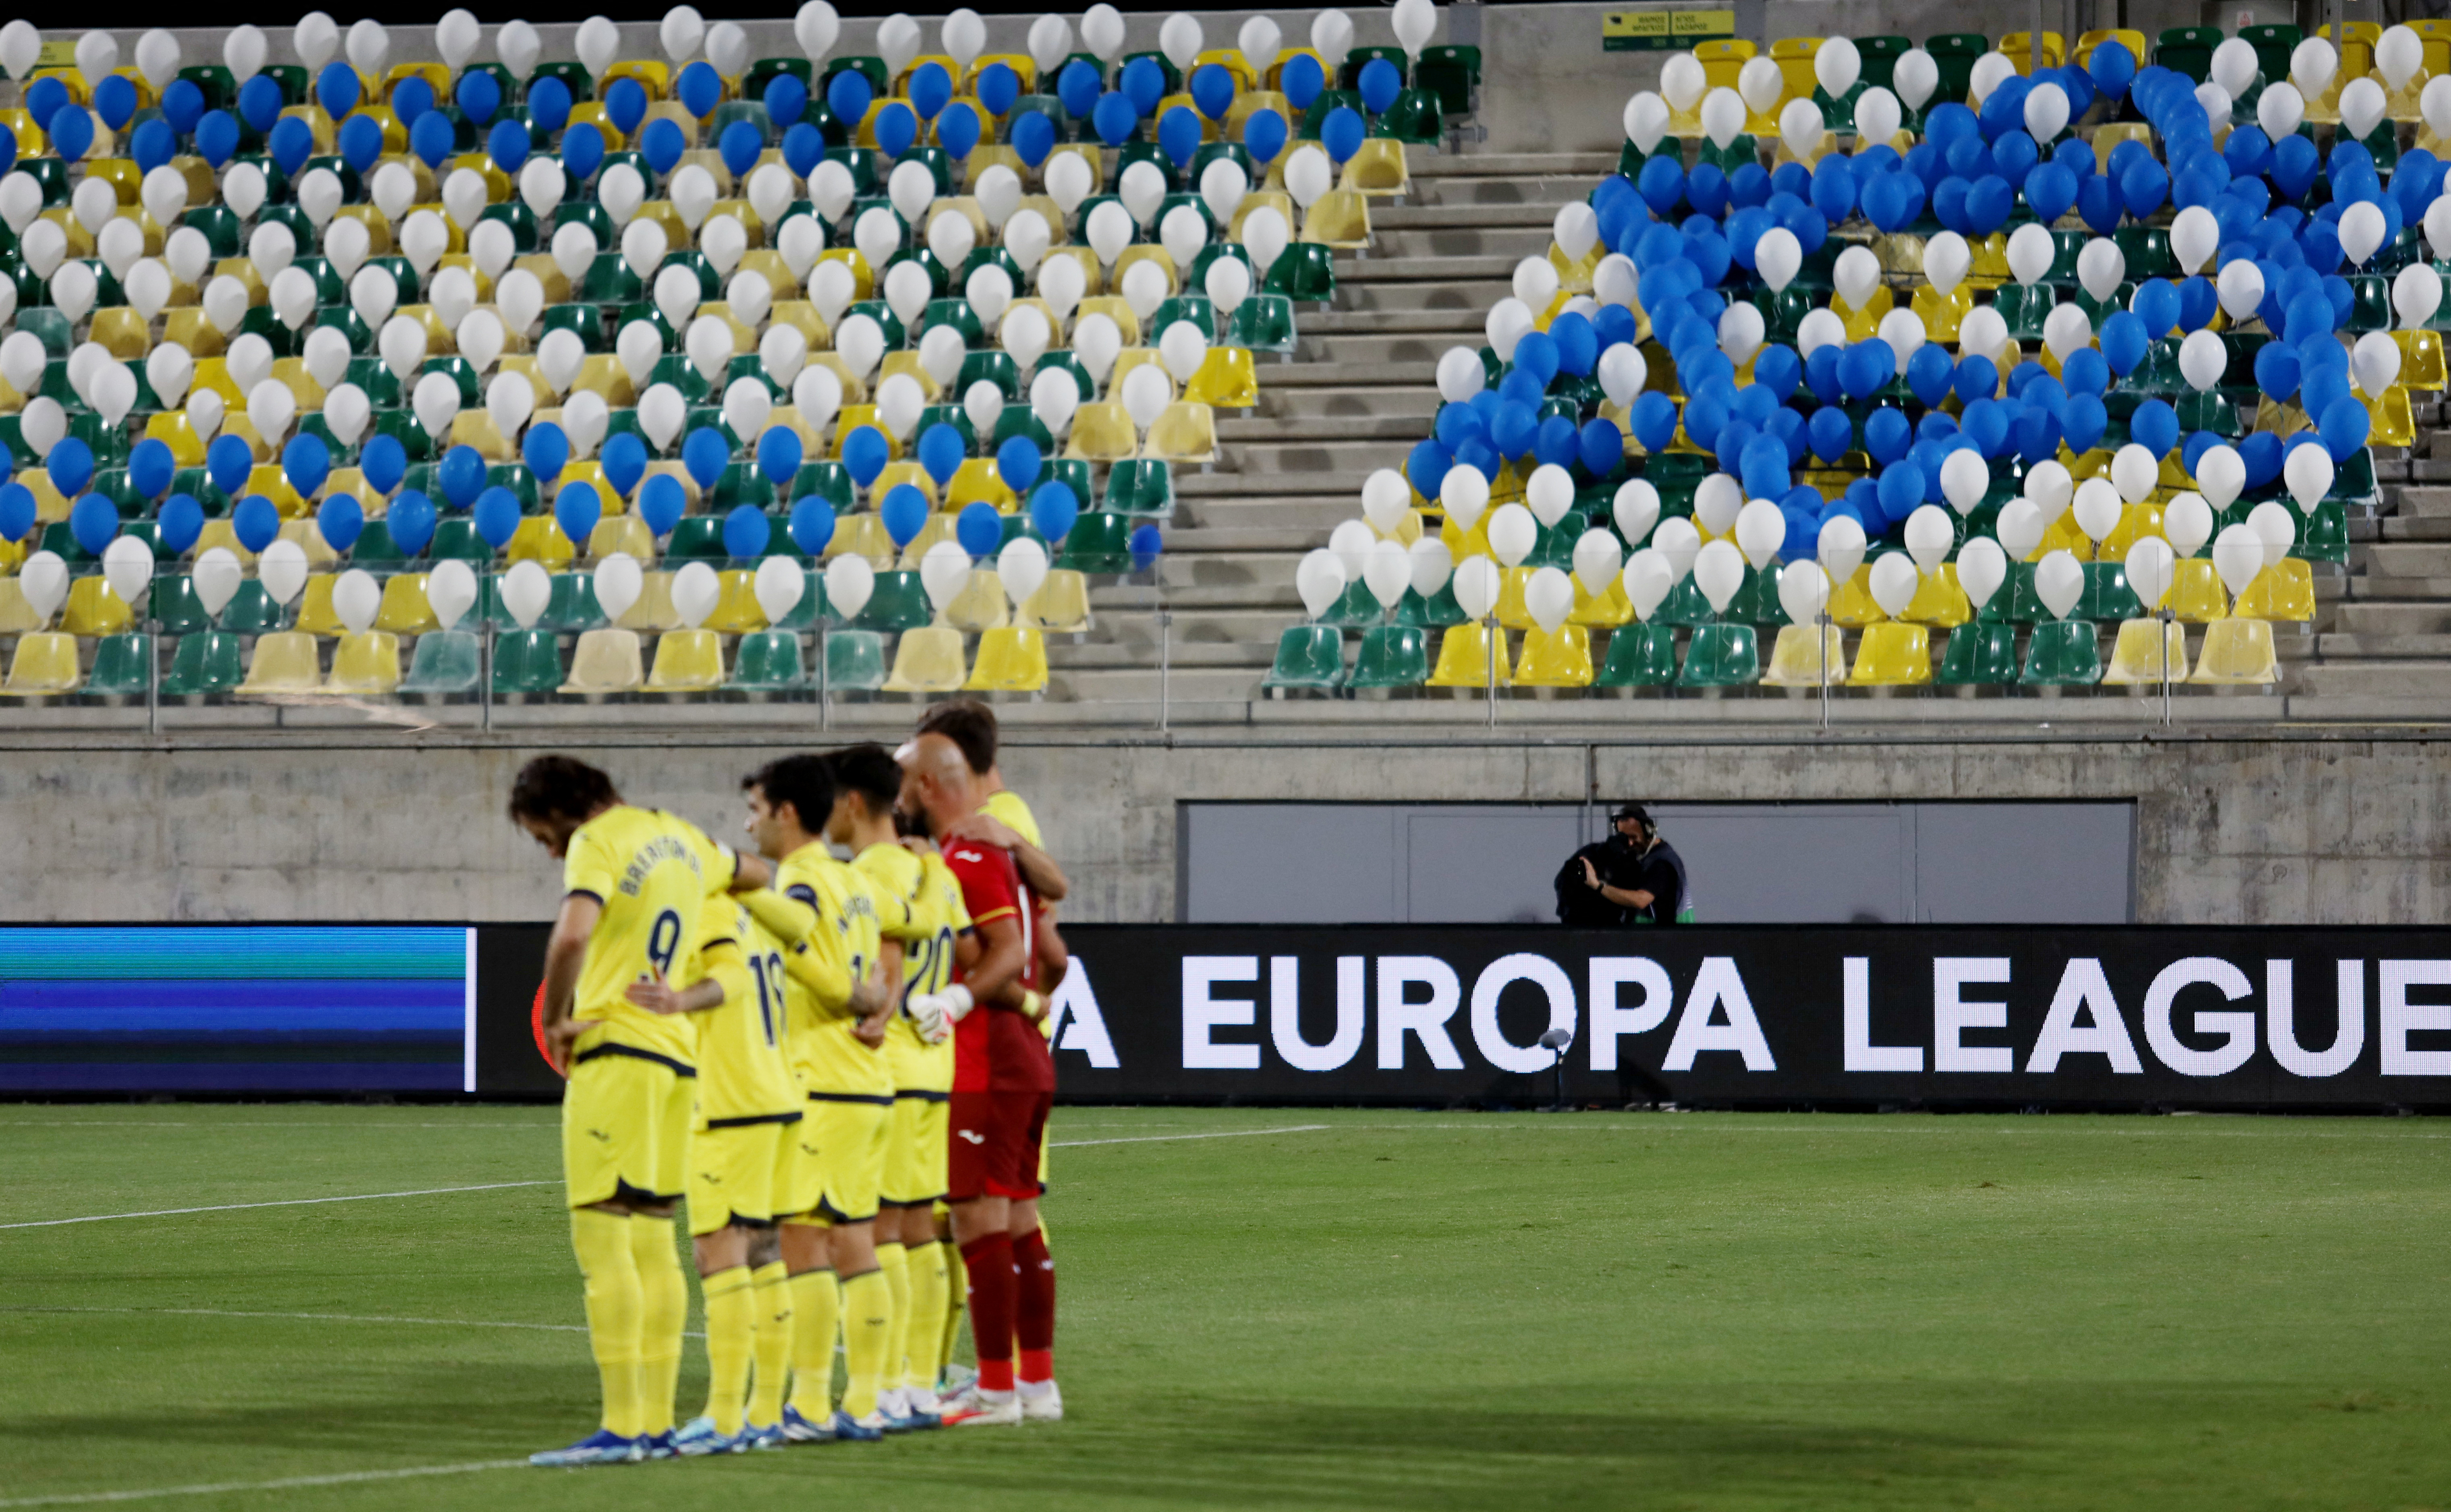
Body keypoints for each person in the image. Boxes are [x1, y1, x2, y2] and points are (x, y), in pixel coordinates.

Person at [510, 755, 747, 1468]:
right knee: (653, 1238)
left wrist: (555, 1019)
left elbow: (574, 934)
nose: (550, 849)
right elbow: (758, 875)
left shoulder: (598, 840)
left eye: (543, 833)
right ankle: (657, 1425)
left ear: (564, 810)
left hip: (617, 1053)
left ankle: (623, 1425)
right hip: (678, 1059)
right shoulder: (683, 840)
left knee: (605, 1246)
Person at [729, 755, 911, 1443]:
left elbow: (804, 945)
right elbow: (916, 920)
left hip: (821, 1082)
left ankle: (807, 1406)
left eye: (754, 810)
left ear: (784, 812)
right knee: (857, 1243)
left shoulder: (802, 882)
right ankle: (864, 1401)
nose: (749, 825)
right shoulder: (854, 881)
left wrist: (853, 995)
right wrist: (883, 996)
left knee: (802, 1247)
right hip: (868, 1085)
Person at [897, 733, 1052, 1427]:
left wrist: (962, 999)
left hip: (986, 1059)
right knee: (1019, 1224)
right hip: (1021, 1050)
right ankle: (1034, 1388)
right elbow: (1049, 949)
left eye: (902, 784)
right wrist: (1027, 1001)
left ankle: (994, 1392)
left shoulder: (966, 857)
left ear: (927, 787)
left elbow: (1012, 949)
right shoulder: (992, 852)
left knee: (975, 1222)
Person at [622, 894, 795, 1456]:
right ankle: (764, 1412)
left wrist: (677, 1001)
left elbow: (731, 979)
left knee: (718, 1253)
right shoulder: (765, 916)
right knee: (765, 1251)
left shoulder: (711, 909)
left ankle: (725, 1417)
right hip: (779, 1091)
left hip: (731, 1103)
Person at [830, 743, 972, 1424]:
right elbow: (968, 952)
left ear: (853, 802)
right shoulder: (936, 869)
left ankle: (883, 1386)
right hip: (935, 1066)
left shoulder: (872, 872)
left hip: (886, 1066)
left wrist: (880, 1008)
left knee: (878, 1231)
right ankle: (921, 1381)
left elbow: (884, 965)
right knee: (921, 1230)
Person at [1557, 804, 1689, 925]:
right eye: (1626, 838)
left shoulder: (1660, 863)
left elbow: (1641, 900)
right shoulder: (1644, 859)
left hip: (1668, 941)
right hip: (1658, 940)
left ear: (1649, 831)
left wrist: (1598, 886)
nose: (1630, 844)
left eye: (1634, 837)